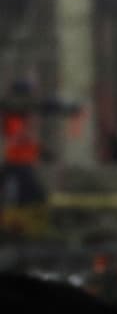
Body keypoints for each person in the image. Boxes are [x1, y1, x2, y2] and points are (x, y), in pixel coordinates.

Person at [1, 80, 79, 238]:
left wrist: (43, 152)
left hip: (21, 165)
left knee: (35, 197)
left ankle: (28, 232)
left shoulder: (22, 114)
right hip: (15, 166)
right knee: (24, 198)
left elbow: (26, 139)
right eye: (28, 95)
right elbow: (20, 139)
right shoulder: (13, 109)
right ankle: (17, 233)